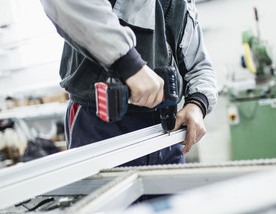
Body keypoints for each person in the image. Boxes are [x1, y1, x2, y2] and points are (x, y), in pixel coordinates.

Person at [40, 0, 217, 166]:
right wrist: (128, 64)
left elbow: (200, 66)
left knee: (170, 200)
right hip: (101, 123)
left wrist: (198, 103)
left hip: (167, 129)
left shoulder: (184, 4)